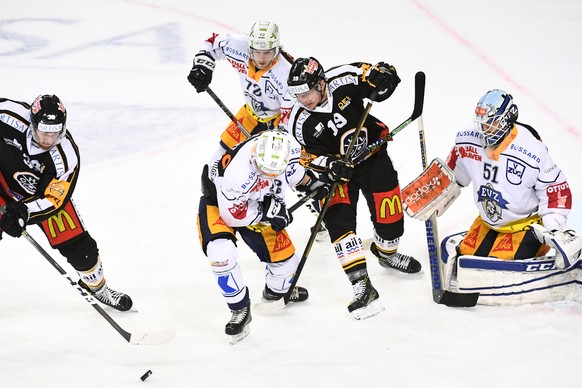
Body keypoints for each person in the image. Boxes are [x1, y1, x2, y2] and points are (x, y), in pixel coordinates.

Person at [415, 89, 582, 304]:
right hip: (488, 222)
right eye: (482, 123)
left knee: (496, 268)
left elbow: (556, 191)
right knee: (467, 259)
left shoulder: (533, 152)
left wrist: (552, 229)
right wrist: (433, 192)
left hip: (525, 225)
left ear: (507, 119)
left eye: (491, 123)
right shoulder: (467, 140)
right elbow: (454, 174)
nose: (485, 130)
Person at [286, 57, 421, 320]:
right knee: (340, 225)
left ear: (321, 83)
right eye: (297, 95)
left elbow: (378, 75)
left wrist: (385, 77)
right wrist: (329, 165)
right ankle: (362, 286)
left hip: (373, 159)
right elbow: (304, 158)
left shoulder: (344, 79)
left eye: (306, 92)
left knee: (391, 222)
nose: (303, 99)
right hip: (339, 176)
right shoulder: (299, 121)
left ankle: (386, 254)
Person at [0, 95, 132, 311]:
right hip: (2, 182)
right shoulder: (8, 115)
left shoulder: (66, 156)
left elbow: (55, 200)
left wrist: (25, 212)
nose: (49, 137)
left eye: (55, 131)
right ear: (32, 123)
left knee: (82, 250)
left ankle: (98, 288)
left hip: (39, 198)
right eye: (44, 130)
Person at [197, 129, 327, 343]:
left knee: (287, 266)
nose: (265, 174)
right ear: (255, 154)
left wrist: (309, 183)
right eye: (262, 169)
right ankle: (239, 309)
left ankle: (276, 292)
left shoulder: (289, 148)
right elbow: (233, 217)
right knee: (221, 254)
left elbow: (292, 171)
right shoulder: (237, 174)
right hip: (221, 205)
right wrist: (266, 212)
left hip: (260, 201)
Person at [187, 20, 294, 157]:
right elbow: (213, 42)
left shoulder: (286, 73)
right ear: (250, 47)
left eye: (267, 53)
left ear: (276, 49)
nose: (261, 58)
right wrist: (203, 66)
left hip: (277, 122)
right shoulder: (238, 45)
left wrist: (278, 136)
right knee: (221, 157)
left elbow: (290, 116)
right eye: (257, 52)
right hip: (249, 115)